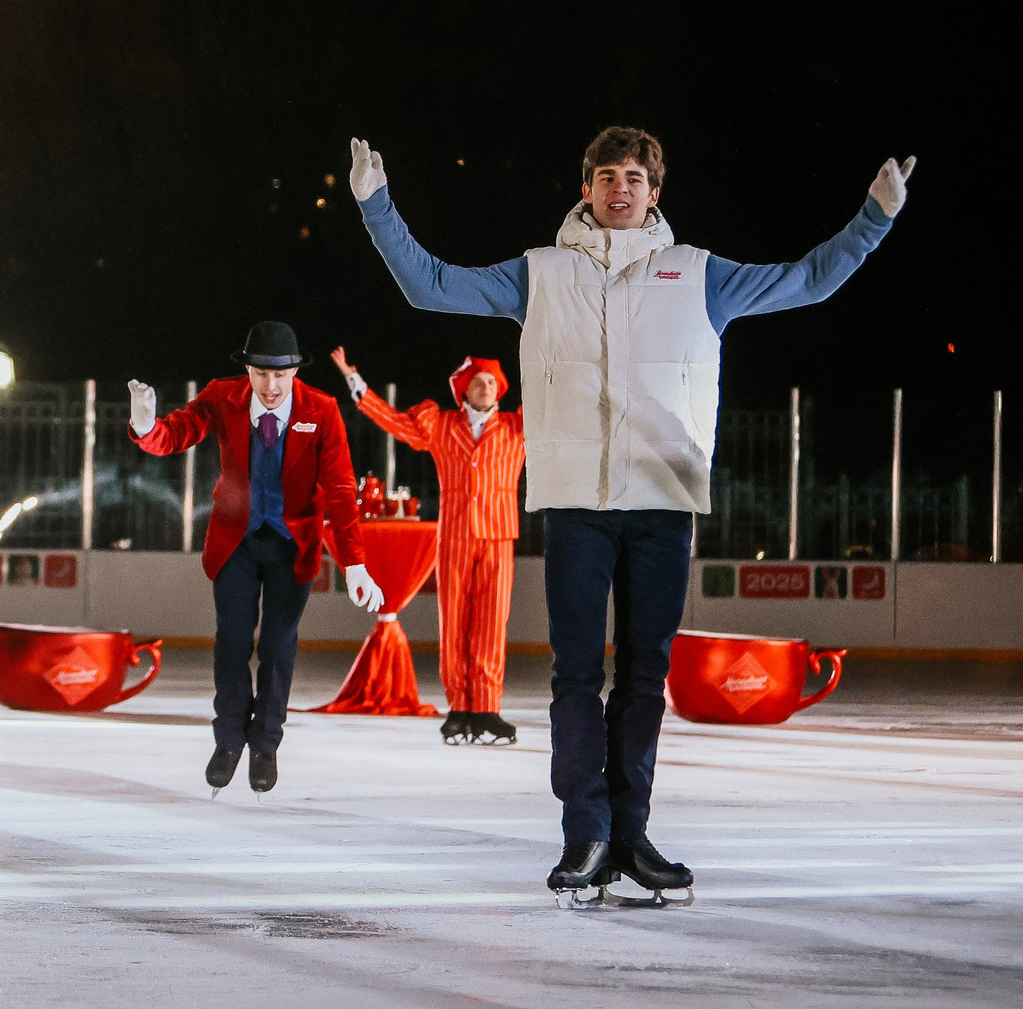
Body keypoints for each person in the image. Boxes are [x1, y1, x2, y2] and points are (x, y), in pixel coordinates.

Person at [351, 124, 911, 897]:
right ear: (585, 188)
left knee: (645, 676)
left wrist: (875, 217)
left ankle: (631, 832)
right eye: (607, 176)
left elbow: (809, 279)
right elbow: (430, 285)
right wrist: (376, 204)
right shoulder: (540, 274)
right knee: (577, 675)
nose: (621, 188)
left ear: (655, 192)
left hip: (662, 502)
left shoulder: (699, 274)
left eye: (635, 178)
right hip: (576, 503)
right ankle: (586, 833)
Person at [129, 321, 385, 794]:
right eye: (261, 374)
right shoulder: (222, 396)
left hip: (293, 546)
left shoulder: (322, 410)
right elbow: (178, 433)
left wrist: (355, 563)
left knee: (278, 646)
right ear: (247, 370)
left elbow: (341, 488)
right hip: (237, 542)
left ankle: (265, 743)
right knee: (231, 641)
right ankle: (228, 740)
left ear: (294, 372)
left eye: (280, 375)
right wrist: (147, 426)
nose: (270, 386)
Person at [328, 347, 526, 744]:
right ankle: (460, 707)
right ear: (463, 390)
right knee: (453, 623)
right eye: (478, 382)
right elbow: (396, 423)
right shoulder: (442, 425)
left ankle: (486, 708)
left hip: (499, 536)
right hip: (454, 536)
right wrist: (355, 382)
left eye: (491, 382)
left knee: (491, 624)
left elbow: (559, 413)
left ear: (501, 389)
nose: (485, 388)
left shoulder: (517, 428)